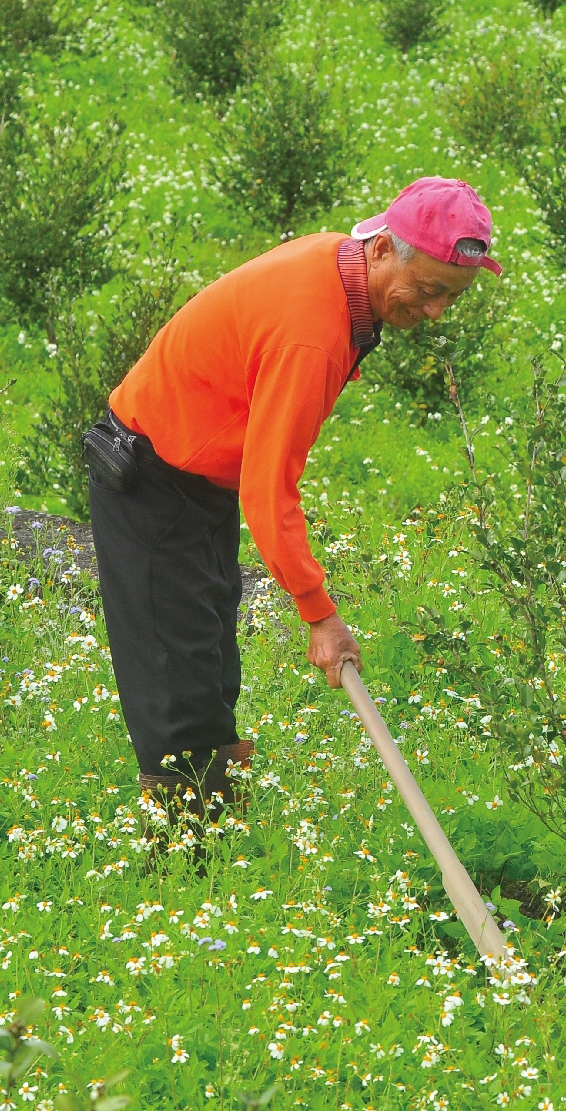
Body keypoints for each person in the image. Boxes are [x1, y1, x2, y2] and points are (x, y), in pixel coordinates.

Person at [88, 176, 501, 827]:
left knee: (209, 664)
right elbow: (268, 484)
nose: (436, 313)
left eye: (450, 297)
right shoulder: (312, 329)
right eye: (428, 291)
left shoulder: (337, 263)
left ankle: (216, 834)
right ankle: (189, 860)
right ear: (382, 251)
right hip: (152, 481)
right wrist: (319, 613)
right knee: (179, 684)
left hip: (196, 480)